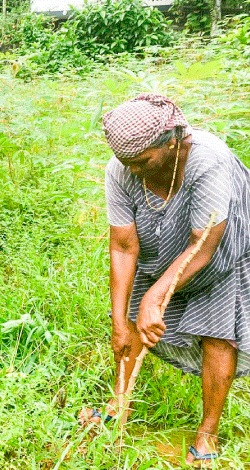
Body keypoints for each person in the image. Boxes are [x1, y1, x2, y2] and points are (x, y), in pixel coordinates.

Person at [80, 93, 250, 466]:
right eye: (126, 162)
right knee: (130, 321)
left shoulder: (209, 163)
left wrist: (155, 298)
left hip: (217, 250)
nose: (132, 170)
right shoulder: (122, 168)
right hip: (161, 247)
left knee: (217, 334)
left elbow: (202, 245)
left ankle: (207, 432)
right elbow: (123, 245)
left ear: (171, 142)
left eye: (142, 162)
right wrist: (118, 320)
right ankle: (118, 405)